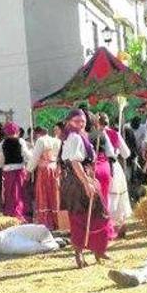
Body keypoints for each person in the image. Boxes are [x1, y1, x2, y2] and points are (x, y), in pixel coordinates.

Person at [60, 109, 114, 268]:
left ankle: (95, 250)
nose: (80, 123)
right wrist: (86, 182)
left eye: (82, 120)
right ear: (69, 122)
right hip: (78, 179)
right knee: (94, 215)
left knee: (84, 216)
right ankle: (86, 252)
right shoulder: (75, 137)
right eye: (76, 121)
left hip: (78, 177)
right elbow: (75, 162)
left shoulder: (78, 136)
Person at [100, 114, 132, 236]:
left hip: (103, 166)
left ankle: (108, 227)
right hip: (115, 167)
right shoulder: (114, 134)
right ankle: (121, 223)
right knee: (118, 196)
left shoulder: (95, 135)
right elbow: (126, 154)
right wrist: (117, 149)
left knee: (108, 197)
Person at [28, 126, 62, 230]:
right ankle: (57, 220)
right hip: (55, 168)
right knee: (54, 194)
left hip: (44, 169)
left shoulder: (40, 141)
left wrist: (29, 169)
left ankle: (47, 222)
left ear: (38, 133)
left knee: (44, 194)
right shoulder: (57, 140)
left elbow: (35, 157)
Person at [0, 122, 32, 221]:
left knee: (9, 193)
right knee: (20, 192)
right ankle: (21, 212)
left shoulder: (2, 143)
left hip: (8, 171)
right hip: (19, 169)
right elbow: (26, 155)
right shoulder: (20, 141)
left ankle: (10, 213)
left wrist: (0, 166)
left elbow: (0, 159)